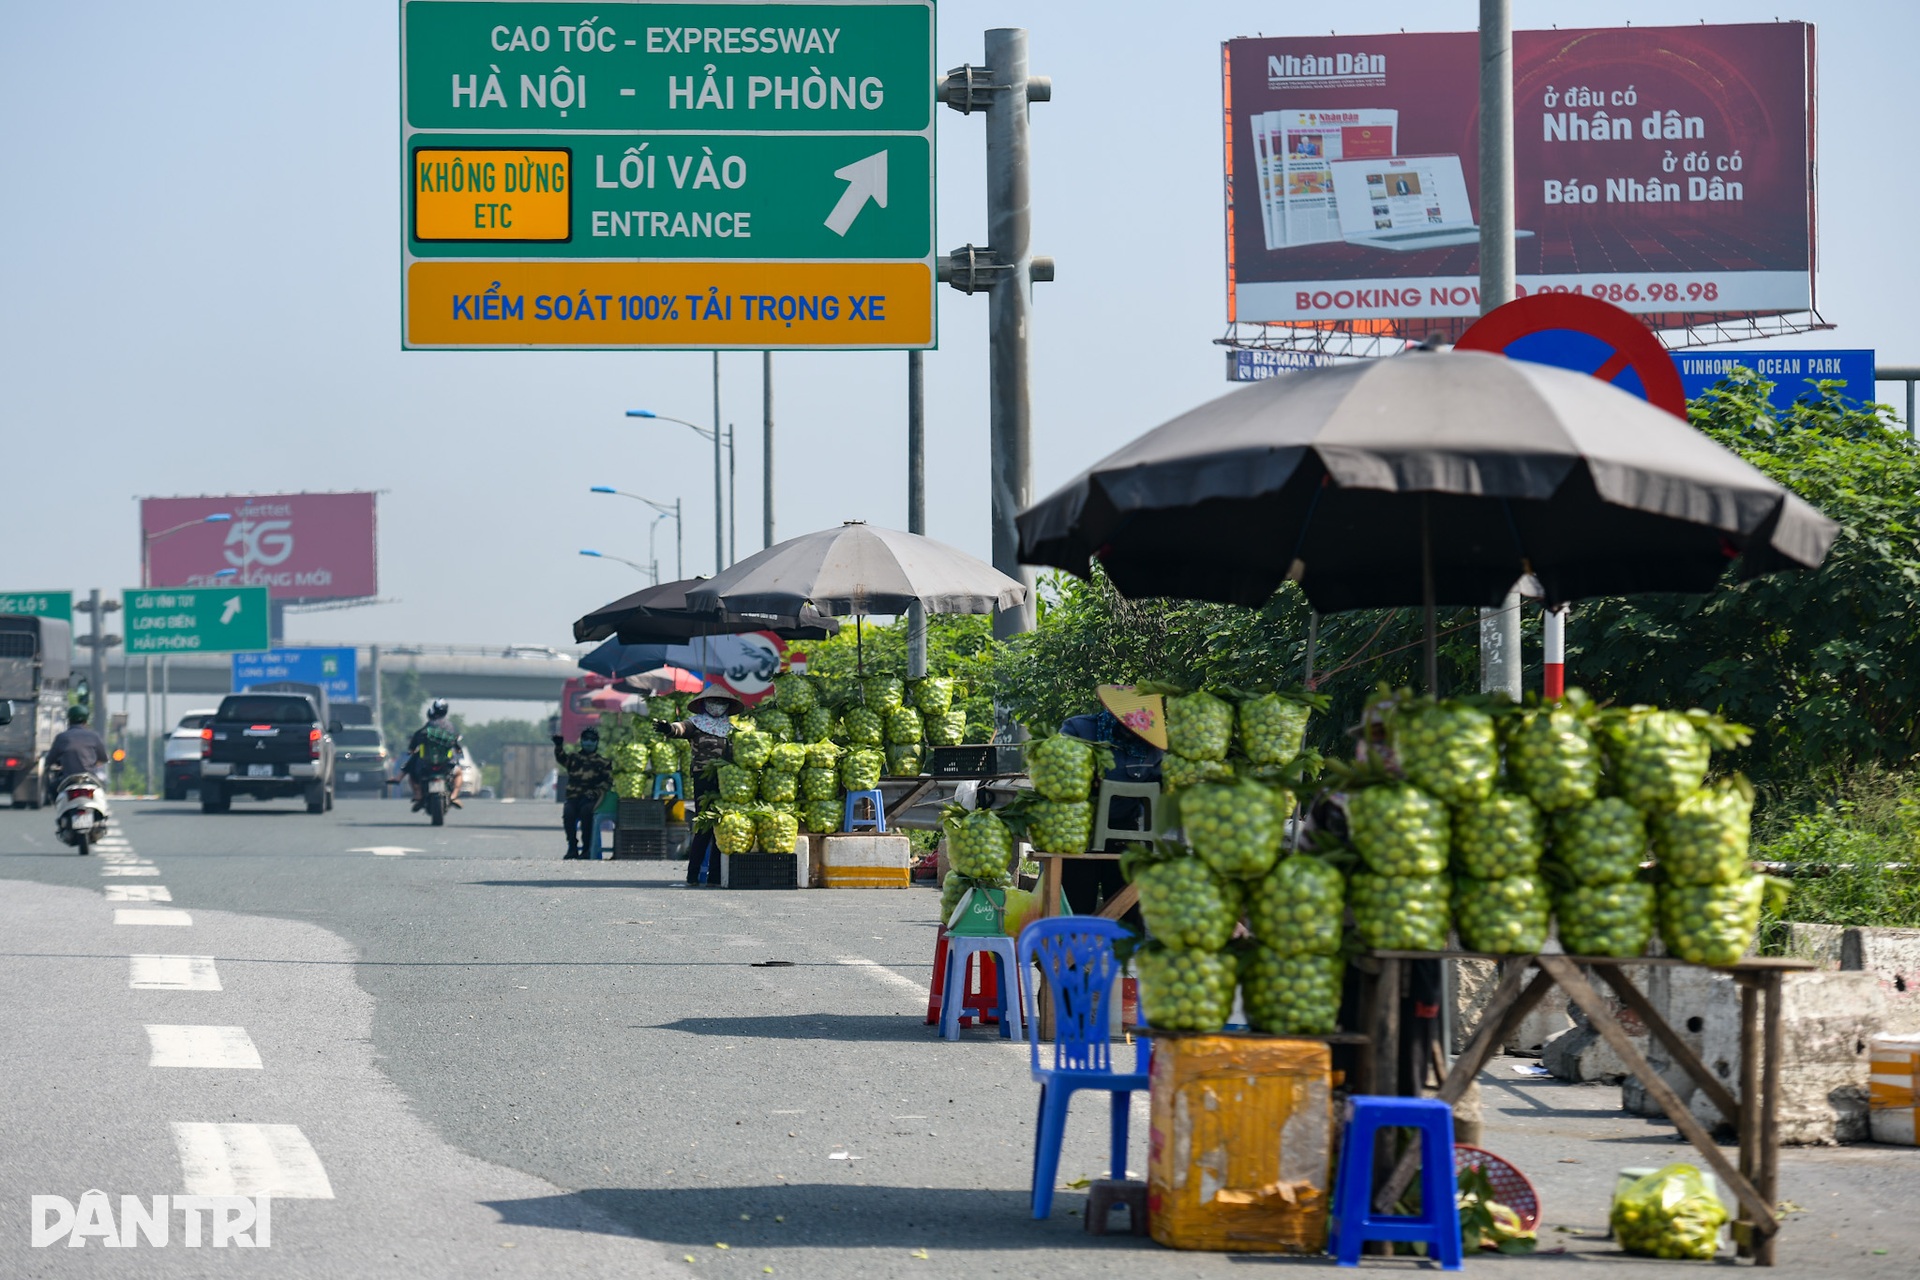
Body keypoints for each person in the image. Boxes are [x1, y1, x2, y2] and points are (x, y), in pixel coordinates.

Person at [1055, 686, 1166, 918]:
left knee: (1127, 913)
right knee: (1076, 905)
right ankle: (1072, 942)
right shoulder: (1079, 729)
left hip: (1124, 832)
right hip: (1078, 832)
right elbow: (1058, 770)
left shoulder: (1152, 747)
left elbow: (1160, 787)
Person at [655, 685, 743, 884]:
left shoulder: (732, 730)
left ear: (727, 706)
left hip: (727, 781)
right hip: (703, 778)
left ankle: (715, 876)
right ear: (704, 704)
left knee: (722, 826)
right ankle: (693, 874)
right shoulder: (696, 723)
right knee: (704, 826)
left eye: (721, 702)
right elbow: (680, 729)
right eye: (713, 702)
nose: (717, 706)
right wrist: (668, 728)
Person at [551, 726, 613, 859]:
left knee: (587, 814)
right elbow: (561, 758)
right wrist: (558, 746)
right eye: (586, 739)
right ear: (581, 740)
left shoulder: (603, 763)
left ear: (597, 742)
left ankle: (587, 849)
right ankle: (572, 847)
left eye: (592, 739)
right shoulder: (574, 759)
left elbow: (608, 782)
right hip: (573, 797)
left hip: (590, 799)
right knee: (568, 814)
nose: (589, 742)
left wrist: (595, 792)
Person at [399, 699, 463, 811]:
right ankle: (454, 795)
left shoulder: (427, 727)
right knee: (458, 773)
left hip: (427, 763)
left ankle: (418, 795)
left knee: (412, 774)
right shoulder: (450, 727)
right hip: (446, 763)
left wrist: (412, 749)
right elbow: (456, 744)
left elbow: (415, 742)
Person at [45, 705, 109, 786]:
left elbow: (50, 760)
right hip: (90, 779)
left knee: (51, 787)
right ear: (86, 720)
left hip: (68, 781)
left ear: (69, 720)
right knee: (101, 789)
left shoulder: (61, 737)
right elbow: (103, 758)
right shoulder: (94, 736)